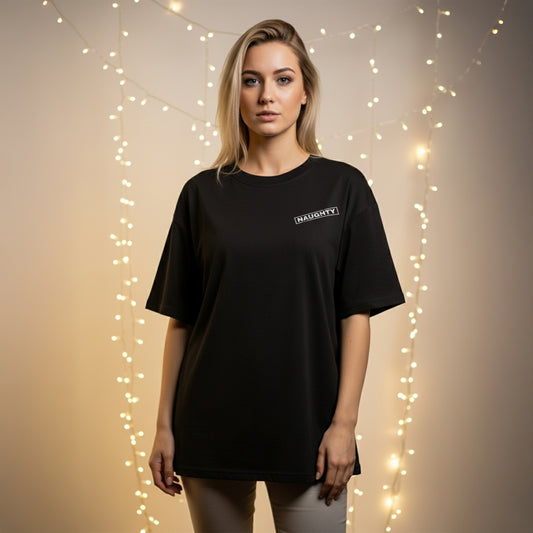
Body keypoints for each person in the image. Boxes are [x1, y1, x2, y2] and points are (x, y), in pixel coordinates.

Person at [145, 19, 405, 533]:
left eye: (283, 79)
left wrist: (344, 425)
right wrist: (164, 427)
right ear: (236, 93)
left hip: (310, 432)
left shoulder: (343, 188)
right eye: (252, 80)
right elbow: (182, 321)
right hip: (210, 425)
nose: (267, 95)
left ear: (305, 92)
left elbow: (356, 315)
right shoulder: (202, 195)